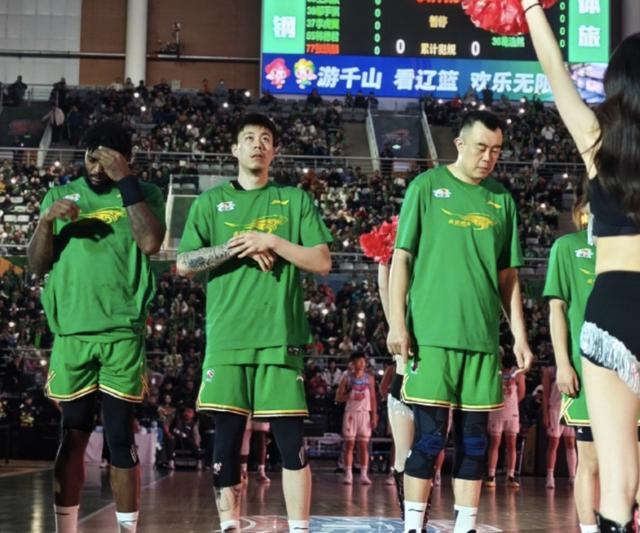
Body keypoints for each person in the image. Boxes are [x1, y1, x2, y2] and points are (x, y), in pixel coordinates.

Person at [176, 113, 332, 533]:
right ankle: (230, 525)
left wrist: (272, 241)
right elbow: (184, 263)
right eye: (249, 138)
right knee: (227, 438)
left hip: (280, 338)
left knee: (291, 442)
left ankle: (299, 528)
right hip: (228, 340)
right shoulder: (210, 203)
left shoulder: (294, 200)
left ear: (275, 151)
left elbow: (322, 261)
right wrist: (237, 246)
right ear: (235, 149)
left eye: (266, 139)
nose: (258, 144)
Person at [387, 110, 533, 533]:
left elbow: (508, 277)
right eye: (481, 148)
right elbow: (402, 258)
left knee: (474, 441)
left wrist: (519, 336)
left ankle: (465, 526)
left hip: (482, 341)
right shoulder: (426, 187)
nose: (488, 157)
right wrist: (397, 323)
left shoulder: (501, 200)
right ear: (460, 144)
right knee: (430, 438)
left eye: (496, 150)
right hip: (431, 338)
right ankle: (413, 525)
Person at [524, 3, 640, 529]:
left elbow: (555, 71)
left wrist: (530, 7)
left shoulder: (598, 142)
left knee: (617, 483)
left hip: (610, 310)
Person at [27, 120, 165, 533]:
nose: (96, 166)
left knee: (120, 437)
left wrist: (126, 182)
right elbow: (36, 266)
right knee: (72, 435)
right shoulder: (59, 195)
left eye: (107, 158)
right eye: (91, 157)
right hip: (72, 333)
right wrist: (46, 222)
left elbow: (150, 242)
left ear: (126, 159)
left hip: (121, 333)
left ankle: (128, 530)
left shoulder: (145, 193)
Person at [543, 187, 599, 529]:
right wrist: (563, 363)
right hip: (585, 371)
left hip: (631, 373)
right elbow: (557, 309)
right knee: (589, 459)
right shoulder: (567, 248)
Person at [336, 353, 378, 485]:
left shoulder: (369, 378)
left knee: (364, 445)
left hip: (365, 413)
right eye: (358, 361)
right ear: (353, 363)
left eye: (363, 361)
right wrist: (351, 396)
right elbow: (338, 397)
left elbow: (373, 398)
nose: (361, 364)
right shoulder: (347, 378)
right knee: (349, 444)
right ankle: (348, 474)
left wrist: (374, 415)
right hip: (351, 413)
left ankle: (364, 474)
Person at [485, 353, 526, 488]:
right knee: (496, 443)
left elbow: (521, 393)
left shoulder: (518, 374)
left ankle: (509, 476)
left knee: (509, 444)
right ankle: (492, 475)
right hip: (498, 411)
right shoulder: (496, 372)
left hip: (509, 412)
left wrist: (511, 403)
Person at [542, 365, 577, 488]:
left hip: (570, 408)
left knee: (571, 443)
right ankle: (550, 476)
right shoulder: (550, 371)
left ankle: (572, 476)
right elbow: (545, 394)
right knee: (554, 443)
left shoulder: (574, 367)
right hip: (555, 409)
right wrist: (545, 413)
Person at [240, 418, 271, 483]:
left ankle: (261, 471)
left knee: (261, 433)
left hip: (259, 412)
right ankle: (243, 470)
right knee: (245, 433)